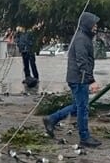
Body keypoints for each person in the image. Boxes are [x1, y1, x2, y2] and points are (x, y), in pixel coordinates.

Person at [42, 12, 102, 148]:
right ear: (87, 24)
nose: (96, 27)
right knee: (83, 108)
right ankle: (84, 137)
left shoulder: (84, 37)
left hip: (78, 78)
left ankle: (51, 119)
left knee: (77, 107)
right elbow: (82, 61)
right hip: (79, 79)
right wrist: (90, 80)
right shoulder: (81, 39)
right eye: (94, 24)